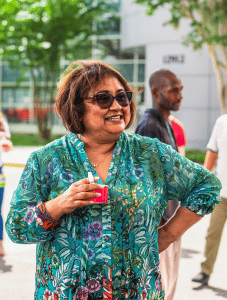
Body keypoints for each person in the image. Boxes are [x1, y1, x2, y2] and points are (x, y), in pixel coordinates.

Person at [5, 60, 221, 300]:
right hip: (66, 293)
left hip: (137, 293)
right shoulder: (46, 160)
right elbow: (16, 228)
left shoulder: (151, 154)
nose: (117, 105)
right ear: (77, 107)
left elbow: (207, 186)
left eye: (123, 97)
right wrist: (58, 205)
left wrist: (168, 234)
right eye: (103, 99)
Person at [135, 69, 184, 300]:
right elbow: (142, 181)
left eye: (180, 89)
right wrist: (159, 225)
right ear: (155, 92)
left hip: (171, 220)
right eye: (173, 90)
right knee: (158, 290)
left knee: (169, 288)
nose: (180, 95)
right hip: (159, 225)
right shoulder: (148, 127)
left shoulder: (166, 124)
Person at [192, 114, 227, 286]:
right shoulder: (222, 122)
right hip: (222, 193)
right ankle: (205, 271)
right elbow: (212, 152)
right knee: (213, 234)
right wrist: (204, 181)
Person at [0, 111, 13, 256]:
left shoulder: (2, 123)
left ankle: (0, 244)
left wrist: (7, 145)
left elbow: (8, 144)